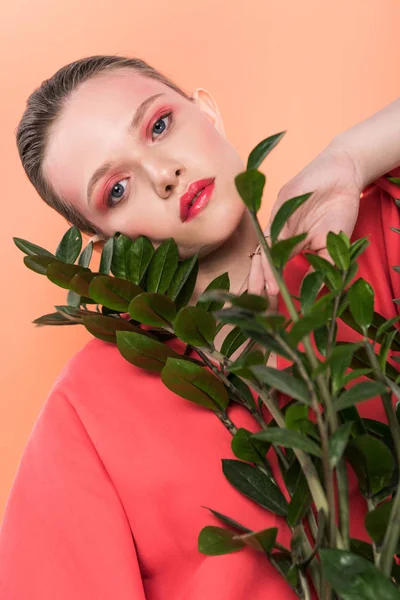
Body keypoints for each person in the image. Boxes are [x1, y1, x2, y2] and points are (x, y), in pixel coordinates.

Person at [0, 54, 400, 599]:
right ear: (101, 243)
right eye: (117, 189)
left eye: (159, 125)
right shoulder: (85, 416)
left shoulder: (367, 236)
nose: (164, 175)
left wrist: (350, 156)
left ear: (206, 111)